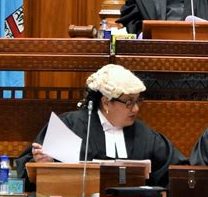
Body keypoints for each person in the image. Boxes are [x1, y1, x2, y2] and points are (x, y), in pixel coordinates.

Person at [16, 64, 187, 189]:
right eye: (129, 102)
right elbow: (26, 173)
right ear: (106, 102)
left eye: (138, 101)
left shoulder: (144, 134)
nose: (135, 108)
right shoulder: (70, 127)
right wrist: (45, 163)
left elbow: (178, 172)